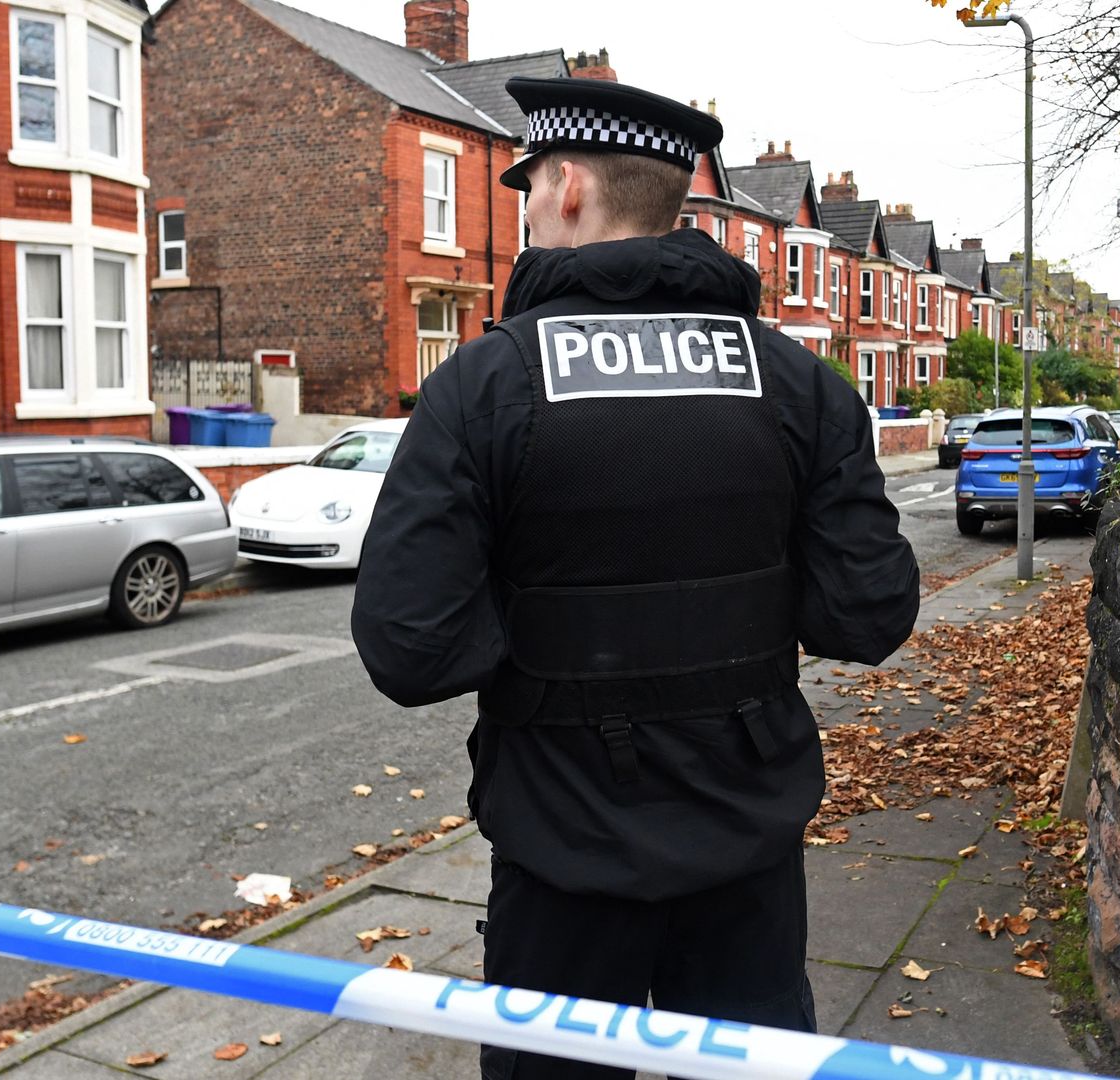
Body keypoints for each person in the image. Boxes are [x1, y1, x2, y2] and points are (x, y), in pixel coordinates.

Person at [351, 75, 920, 1080]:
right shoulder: (801, 387)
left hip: (561, 861)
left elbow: (411, 644)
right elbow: (869, 613)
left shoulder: (482, 389)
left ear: (568, 187)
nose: (525, 211)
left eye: (527, 189)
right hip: (748, 856)